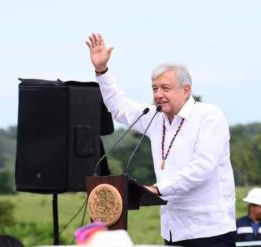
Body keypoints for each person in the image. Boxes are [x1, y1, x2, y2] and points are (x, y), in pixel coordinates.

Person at [85, 33, 236, 246]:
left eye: (165, 88)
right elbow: (119, 107)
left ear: (186, 90)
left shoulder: (209, 116)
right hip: (173, 231)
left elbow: (202, 167)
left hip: (209, 232)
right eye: (154, 88)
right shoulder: (155, 117)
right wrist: (102, 70)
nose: (158, 95)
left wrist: (158, 189)